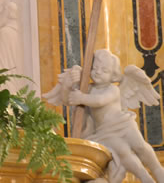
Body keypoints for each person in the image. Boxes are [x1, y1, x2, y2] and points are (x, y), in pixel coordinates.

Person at [44, 49, 164, 183]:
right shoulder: (87, 88)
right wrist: (68, 84)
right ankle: (144, 177)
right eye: (95, 68)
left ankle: (157, 169)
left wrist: (82, 98)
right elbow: (67, 99)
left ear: (113, 76)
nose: (98, 72)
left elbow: (99, 101)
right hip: (105, 133)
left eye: (104, 70)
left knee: (140, 146)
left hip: (123, 124)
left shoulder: (113, 89)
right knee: (124, 152)